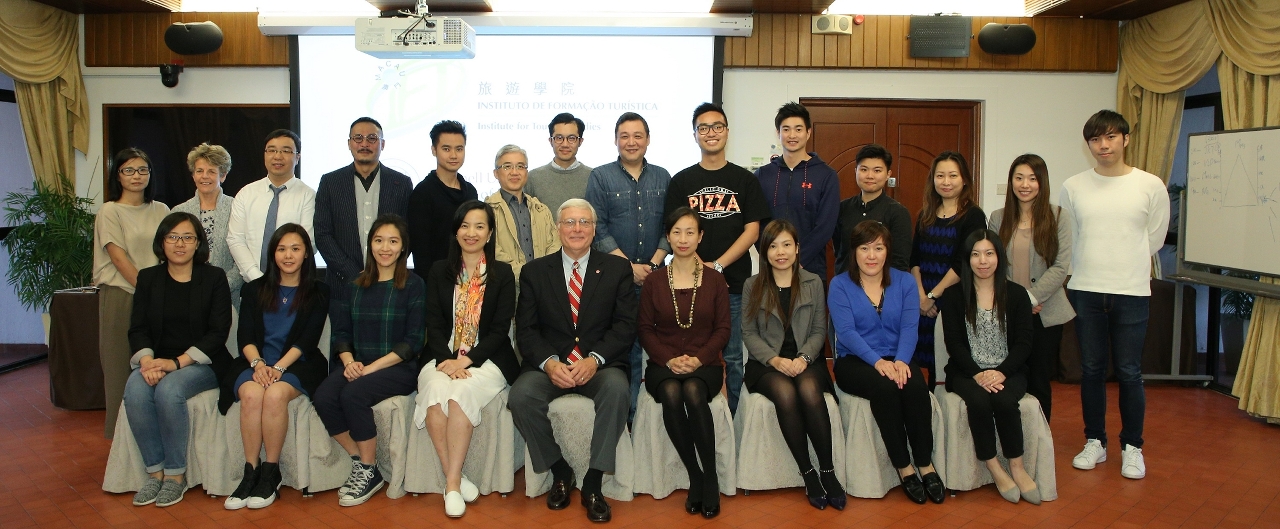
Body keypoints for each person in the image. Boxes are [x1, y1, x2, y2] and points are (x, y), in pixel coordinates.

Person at [509, 199, 637, 523]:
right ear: (558, 228)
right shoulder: (535, 272)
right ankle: (560, 470)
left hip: (600, 365)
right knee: (521, 396)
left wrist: (594, 360)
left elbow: (624, 327)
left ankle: (593, 481)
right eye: (569, 222)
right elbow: (525, 331)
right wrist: (550, 363)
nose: (577, 229)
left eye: (584, 222)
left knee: (618, 390)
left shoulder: (617, 269)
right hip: (550, 365)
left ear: (594, 229)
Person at [1061, 110, 1169, 480]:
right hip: (1086, 288)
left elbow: (1153, 238)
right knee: (1091, 369)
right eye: (1095, 139)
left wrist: (1125, 264)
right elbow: (1070, 237)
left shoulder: (1150, 185)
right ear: (1088, 144)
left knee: (1129, 371)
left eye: (1109, 137)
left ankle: (1132, 446)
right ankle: (1095, 441)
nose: (1102, 145)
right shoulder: (1074, 185)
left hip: (1132, 290)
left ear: (1125, 139)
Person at [414, 201, 520, 518]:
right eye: (464, 226)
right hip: (442, 355)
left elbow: (501, 330)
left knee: (459, 395)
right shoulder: (438, 271)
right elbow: (433, 323)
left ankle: (451, 484)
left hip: (487, 358)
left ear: (489, 234)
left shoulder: (502, 274)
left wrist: (467, 361)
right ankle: (455, 483)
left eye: (479, 227)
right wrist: (447, 359)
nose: (471, 233)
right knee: (434, 394)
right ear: (456, 230)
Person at [665, 102, 770, 413]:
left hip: (734, 282)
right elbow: (674, 231)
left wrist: (719, 266)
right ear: (695, 135)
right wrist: (702, 269)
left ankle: (736, 420)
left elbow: (753, 230)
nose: (711, 133)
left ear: (727, 132)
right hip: (687, 283)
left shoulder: (745, 180)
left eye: (717, 126)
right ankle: (697, 414)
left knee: (735, 356)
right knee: (691, 349)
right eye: (703, 128)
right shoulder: (681, 181)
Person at [313, 215, 426, 506]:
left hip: (397, 368)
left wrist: (369, 369)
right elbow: (341, 333)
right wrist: (349, 362)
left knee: (353, 394)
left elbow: (412, 342)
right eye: (378, 240)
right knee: (324, 396)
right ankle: (364, 463)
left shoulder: (413, 285)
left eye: (393, 241)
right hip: (359, 364)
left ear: (403, 248)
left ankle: (366, 469)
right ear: (370, 245)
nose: (385, 248)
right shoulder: (355, 286)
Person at [830, 220, 944, 505]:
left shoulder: (904, 281)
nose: (871, 255)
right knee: (886, 389)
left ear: (887, 251)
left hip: (899, 356)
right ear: (854, 251)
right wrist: (878, 362)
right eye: (865, 248)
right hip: (855, 360)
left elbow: (909, 327)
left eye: (878, 248)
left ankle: (925, 463)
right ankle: (904, 467)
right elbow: (846, 333)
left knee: (916, 387)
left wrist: (902, 360)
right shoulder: (840, 284)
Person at [123, 212, 231, 507]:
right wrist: (146, 361)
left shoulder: (214, 278)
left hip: (201, 362)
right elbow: (138, 328)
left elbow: (218, 332)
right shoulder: (148, 278)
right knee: (134, 390)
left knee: (170, 391)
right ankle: (154, 472)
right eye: (173, 237)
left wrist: (176, 363)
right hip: (156, 360)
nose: (179, 244)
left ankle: (175, 476)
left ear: (198, 244)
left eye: (187, 237)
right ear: (162, 242)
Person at [222, 224, 330, 510]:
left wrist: (278, 369)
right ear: (272, 254)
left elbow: (307, 341)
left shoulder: (318, 291)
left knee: (274, 395)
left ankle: (271, 472)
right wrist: (258, 365)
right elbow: (244, 336)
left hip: (299, 364)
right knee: (251, 394)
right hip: (255, 362)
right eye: (281, 249)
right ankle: (250, 472)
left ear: (307, 253)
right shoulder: (254, 288)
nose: (288, 255)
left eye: (295, 248)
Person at [741, 219, 845, 511]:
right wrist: (774, 359)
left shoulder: (813, 283)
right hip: (767, 364)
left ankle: (828, 470)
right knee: (785, 394)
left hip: (806, 359)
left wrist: (804, 359)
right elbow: (749, 333)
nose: (780, 252)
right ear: (764, 252)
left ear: (798, 249)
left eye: (787, 244)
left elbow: (818, 331)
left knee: (811, 392)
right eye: (773, 246)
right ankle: (808, 473)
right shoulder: (753, 285)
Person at [637, 207, 730, 518]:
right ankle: (697, 476)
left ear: (701, 236)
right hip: (662, 365)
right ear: (667, 236)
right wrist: (669, 359)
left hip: (706, 366)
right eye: (676, 231)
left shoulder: (716, 280)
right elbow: (645, 330)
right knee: (673, 393)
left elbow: (723, 330)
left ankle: (712, 478)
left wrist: (699, 359)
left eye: (690, 231)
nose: (683, 238)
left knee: (692, 390)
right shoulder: (654, 281)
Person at [940, 230, 1040, 505]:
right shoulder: (953, 296)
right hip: (966, 372)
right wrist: (978, 373)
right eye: (975, 254)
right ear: (967, 259)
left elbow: (1024, 343)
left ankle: (1017, 467)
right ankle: (995, 467)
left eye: (989, 253)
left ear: (999, 257)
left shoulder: (1017, 295)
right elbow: (955, 344)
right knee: (980, 402)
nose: (982, 261)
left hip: (1009, 370)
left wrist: (1001, 372)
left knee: (1006, 401)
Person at [584, 112, 672, 421]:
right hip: (614, 281)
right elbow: (597, 227)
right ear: (615, 140)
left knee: (660, 348)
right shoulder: (600, 176)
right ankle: (628, 419)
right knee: (626, 351)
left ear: (648, 139)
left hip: (656, 278)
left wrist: (652, 263)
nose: (631, 142)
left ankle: (654, 421)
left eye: (637, 135)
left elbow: (670, 227)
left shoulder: (663, 176)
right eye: (625, 135)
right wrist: (628, 267)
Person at [988, 154, 1074, 421]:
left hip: (1045, 313)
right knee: (1009, 378)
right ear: (1011, 181)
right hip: (1008, 313)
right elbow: (992, 264)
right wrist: (1018, 301)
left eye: (1032, 178)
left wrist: (1032, 297)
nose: (1025, 184)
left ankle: (1040, 444)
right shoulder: (998, 217)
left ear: (1042, 182)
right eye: (1019, 177)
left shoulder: (1059, 216)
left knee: (1038, 381)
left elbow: (1061, 267)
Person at [95, 147, 171, 438]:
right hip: (122, 296)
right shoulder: (109, 211)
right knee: (118, 371)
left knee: (154, 370)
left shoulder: (162, 210)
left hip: (158, 298)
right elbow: (118, 257)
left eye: (143, 170)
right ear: (118, 175)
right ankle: (119, 445)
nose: (136, 176)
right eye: (129, 170)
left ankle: (152, 439)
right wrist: (148, 291)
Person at [314, 117, 413, 333]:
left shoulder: (401, 183)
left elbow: (408, 233)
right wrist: (352, 272)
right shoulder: (330, 182)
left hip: (390, 284)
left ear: (382, 144)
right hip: (342, 285)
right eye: (358, 138)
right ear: (349, 143)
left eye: (372, 138)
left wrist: (386, 270)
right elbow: (322, 234)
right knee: (343, 351)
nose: (365, 144)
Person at [910, 151, 987, 389]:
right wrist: (922, 296)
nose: (946, 181)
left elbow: (963, 262)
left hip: (954, 299)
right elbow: (914, 259)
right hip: (923, 302)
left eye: (952, 175)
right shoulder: (925, 214)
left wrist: (934, 296)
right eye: (940, 175)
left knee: (948, 364)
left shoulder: (973, 215)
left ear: (964, 179)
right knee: (923, 363)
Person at [753, 102, 839, 279]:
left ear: (808, 132)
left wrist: (797, 259)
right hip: (771, 272)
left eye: (798, 129)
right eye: (786, 129)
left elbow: (825, 227)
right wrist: (772, 257)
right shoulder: (762, 175)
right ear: (778, 133)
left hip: (810, 271)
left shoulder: (826, 175)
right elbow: (755, 225)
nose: (792, 135)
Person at [227, 129, 316, 284]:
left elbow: (308, 242)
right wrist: (256, 278)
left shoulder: (308, 196)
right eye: (272, 150)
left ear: (297, 157)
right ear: (265, 154)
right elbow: (236, 239)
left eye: (286, 151)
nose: (278, 156)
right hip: (251, 283)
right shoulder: (246, 193)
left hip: (293, 284)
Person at [173, 143, 242, 304]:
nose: (205, 176)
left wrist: (220, 286)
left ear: (223, 176)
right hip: (185, 296)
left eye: (211, 171)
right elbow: (170, 254)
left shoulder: (237, 208)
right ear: (193, 175)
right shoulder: (179, 211)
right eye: (199, 171)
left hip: (226, 297)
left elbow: (244, 257)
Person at [408, 120, 478, 276]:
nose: (453, 155)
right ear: (434, 150)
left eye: (459, 149)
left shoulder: (471, 192)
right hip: (436, 283)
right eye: (446, 149)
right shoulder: (423, 193)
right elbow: (421, 252)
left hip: (471, 281)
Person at [834, 144, 913, 274]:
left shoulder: (898, 213)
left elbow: (900, 261)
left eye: (877, 171)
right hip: (846, 285)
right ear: (856, 171)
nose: (870, 176)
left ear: (888, 174)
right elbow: (840, 251)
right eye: (864, 170)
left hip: (883, 288)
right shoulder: (842, 208)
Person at [485, 144, 560, 279]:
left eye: (520, 166)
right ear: (496, 173)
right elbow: (493, 251)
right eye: (507, 166)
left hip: (544, 285)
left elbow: (555, 245)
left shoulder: (541, 209)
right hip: (506, 286)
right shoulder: (487, 211)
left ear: (526, 172)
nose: (515, 172)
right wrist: (527, 276)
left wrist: (543, 274)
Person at [527, 113, 593, 211]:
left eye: (571, 138)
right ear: (550, 141)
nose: (565, 144)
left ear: (580, 142)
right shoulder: (532, 178)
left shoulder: (594, 177)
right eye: (559, 138)